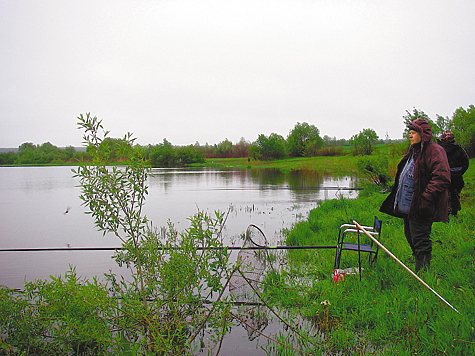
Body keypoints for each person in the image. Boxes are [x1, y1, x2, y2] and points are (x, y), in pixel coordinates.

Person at [379, 118, 451, 273]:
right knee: (411, 237)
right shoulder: (414, 151)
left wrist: (425, 199)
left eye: (413, 133)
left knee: (420, 240)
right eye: (409, 133)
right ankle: (419, 268)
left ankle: (423, 276)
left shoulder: (434, 151)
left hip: (422, 206)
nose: (410, 136)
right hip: (409, 207)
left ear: (422, 134)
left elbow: (441, 178)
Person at [438, 130, 469, 216]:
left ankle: (446, 215)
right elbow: (465, 163)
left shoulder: (439, 150)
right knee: (455, 195)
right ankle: (454, 214)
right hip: (457, 177)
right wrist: (459, 172)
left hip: (444, 177)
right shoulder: (459, 149)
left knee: (445, 196)